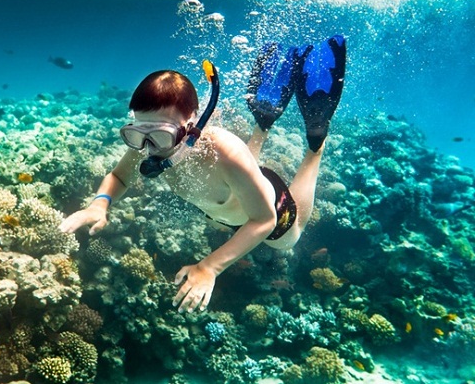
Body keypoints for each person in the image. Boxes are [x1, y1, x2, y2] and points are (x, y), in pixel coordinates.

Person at [59, 35, 346, 313]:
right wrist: (99, 204)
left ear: (191, 124)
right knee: (234, 191)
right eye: (137, 134)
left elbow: (264, 220)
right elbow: (119, 176)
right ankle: (264, 118)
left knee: (287, 242)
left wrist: (210, 267)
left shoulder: (227, 152)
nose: (148, 148)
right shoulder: (150, 141)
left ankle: (316, 143)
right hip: (233, 194)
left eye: (160, 135)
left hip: (269, 208)